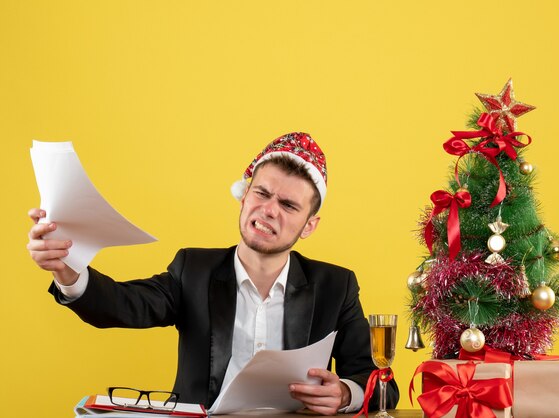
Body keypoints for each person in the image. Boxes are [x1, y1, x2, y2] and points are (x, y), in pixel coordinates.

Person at [27, 132, 399, 415]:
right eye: (262, 194)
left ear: (308, 226)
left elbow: (380, 382)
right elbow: (125, 305)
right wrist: (67, 269)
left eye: (288, 204)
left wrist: (345, 394)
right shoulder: (194, 270)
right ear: (244, 197)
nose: (269, 210)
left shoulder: (336, 285)